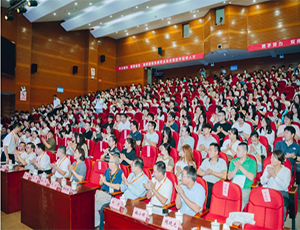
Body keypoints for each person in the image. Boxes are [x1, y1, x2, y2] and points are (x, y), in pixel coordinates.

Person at [95, 155, 123, 230]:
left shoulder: (120, 173)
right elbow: (101, 183)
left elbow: (118, 187)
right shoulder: (107, 170)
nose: (108, 163)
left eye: (110, 162)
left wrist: (105, 182)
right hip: (100, 192)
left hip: (108, 195)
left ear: (114, 163)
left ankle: (96, 226)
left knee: (94, 206)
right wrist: (101, 180)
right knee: (87, 202)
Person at [260, 150, 291, 219]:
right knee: (260, 204)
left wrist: (274, 175)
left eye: (273, 158)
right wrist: (268, 175)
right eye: (271, 157)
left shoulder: (286, 171)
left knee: (282, 208)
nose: (271, 159)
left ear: (279, 161)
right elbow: (262, 182)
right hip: (269, 191)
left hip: (281, 193)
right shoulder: (268, 167)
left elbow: (284, 186)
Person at [197, 143, 227, 209]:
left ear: (216, 152)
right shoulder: (205, 161)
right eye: (209, 150)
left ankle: (205, 210)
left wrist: (212, 173)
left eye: (210, 150)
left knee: (208, 192)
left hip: (214, 184)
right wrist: (205, 173)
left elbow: (224, 175)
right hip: (204, 183)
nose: (208, 152)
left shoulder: (222, 162)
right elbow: (198, 171)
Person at [228, 143, 256, 210]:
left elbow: (251, 177)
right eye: (236, 150)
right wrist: (235, 169)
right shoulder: (233, 161)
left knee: (240, 202)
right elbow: (229, 177)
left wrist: (240, 167)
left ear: (245, 152)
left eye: (238, 150)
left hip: (245, 188)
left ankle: (237, 219)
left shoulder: (252, 162)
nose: (236, 152)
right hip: (234, 187)